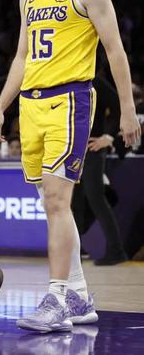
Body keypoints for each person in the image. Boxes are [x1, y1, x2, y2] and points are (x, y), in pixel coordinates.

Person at [0, 0, 141, 333]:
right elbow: (21, 57)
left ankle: (56, 298)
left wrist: (127, 109)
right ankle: (78, 296)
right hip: (31, 106)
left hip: (69, 101)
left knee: (58, 201)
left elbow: (115, 50)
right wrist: (2, 105)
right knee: (50, 204)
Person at [71, 71, 128, 266]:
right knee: (75, 201)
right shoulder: (66, 79)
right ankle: (75, 250)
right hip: (73, 149)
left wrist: (109, 136)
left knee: (96, 198)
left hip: (93, 148)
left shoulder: (95, 81)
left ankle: (116, 251)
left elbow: (120, 104)